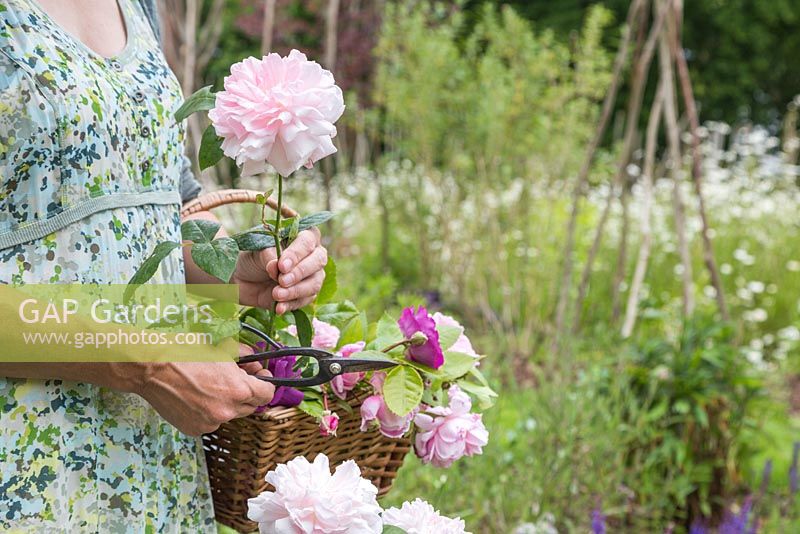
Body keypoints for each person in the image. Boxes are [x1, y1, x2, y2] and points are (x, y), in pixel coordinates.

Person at [0, 0, 328, 530]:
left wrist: (236, 267)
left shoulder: (140, 6)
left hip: (153, 466)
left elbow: (155, 209)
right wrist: (149, 361)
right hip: (27, 472)